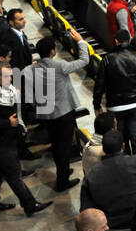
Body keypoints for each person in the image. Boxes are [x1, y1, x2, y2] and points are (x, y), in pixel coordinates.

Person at [0, 43, 52, 216]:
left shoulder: (4, 89)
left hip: (7, 140)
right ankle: (30, 204)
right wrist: (7, 123)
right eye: (7, 78)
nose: (10, 81)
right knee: (14, 176)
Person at [27, 31, 89, 191]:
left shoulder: (32, 69)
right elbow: (84, 60)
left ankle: (63, 168)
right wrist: (81, 42)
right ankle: (62, 181)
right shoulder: (60, 66)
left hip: (46, 114)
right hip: (63, 114)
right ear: (52, 51)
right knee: (64, 147)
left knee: (56, 145)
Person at [80, 121, 136, 230]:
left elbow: (86, 210)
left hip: (111, 229)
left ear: (103, 148)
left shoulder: (91, 175)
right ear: (123, 146)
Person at [92, 27, 136, 155]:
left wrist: (97, 104)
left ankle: (125, 170)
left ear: (116, 41)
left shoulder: (107, 59)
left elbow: (99, 85)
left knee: (121, 141)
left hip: (115, 107)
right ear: (129, 40)